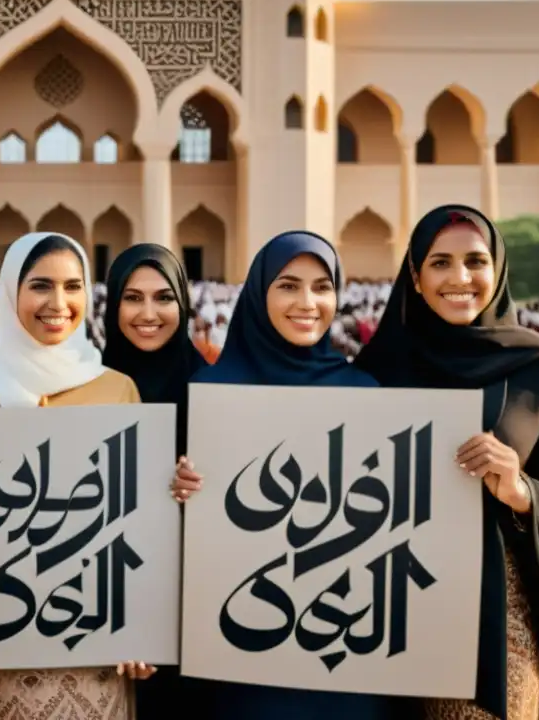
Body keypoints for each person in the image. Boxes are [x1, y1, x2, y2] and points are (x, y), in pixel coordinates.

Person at [355, 205, 539, 720]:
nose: (460, 278)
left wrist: (523, 493)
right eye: (440, 263)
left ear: (497, 270)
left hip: (493, 623)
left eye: (475, 261)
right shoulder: (375, 371)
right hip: (380, 611)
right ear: (414, 273)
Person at [0, 232, 156, 720]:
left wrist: (141, 630)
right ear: (11, 292)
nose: (58, 303)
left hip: (92, 652)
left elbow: (138, 526)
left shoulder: (118, 389)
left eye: (73, 286)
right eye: (40, 286)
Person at [180, 231, 396, 719]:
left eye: (322, 287)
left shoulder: (366, 393)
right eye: (288, 286)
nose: (307, 302)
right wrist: (179, 490)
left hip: (343, 649)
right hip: (244, 648)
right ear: (260, 293)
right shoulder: (213, 392)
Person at [101, 243, 209, 718]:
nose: (149, 313)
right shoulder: (86, 391)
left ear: (183, 304)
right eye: (132, 298)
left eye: (164, 298)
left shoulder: (215, 391)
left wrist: (202, 489)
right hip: (105, 608)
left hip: (197, 612)